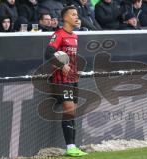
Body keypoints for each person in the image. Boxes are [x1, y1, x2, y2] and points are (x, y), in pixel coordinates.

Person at [44, 6, 88, 157]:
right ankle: (70, 148)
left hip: (73, 78)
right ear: (65, 18)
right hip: (61, 79)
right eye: (73, 14)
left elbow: (71, 58)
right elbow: (48, 53)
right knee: (69, 109)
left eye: (77, 14)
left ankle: (73, 146)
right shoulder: (59, 34)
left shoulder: (75, 36)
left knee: (72, 112)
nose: (77, 17)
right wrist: (61, 65)